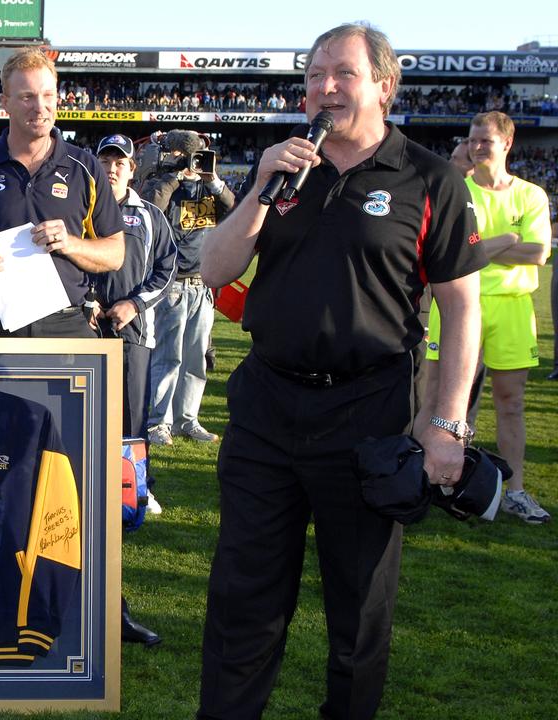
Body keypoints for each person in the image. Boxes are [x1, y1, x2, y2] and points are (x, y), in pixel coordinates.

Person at [197, 23, 485, 719]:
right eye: (314, 74)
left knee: (358, 612)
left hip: (368, 414)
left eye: (342, 73)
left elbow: (461, 308)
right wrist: (262, 185)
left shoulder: (430, 178)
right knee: (244, 598)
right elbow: (213, 268)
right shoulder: (281, 171)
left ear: (384, 86)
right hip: (266, 408)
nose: (324, 86)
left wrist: (445, 423)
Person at [0, 47, 124, 338]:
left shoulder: (85, 168)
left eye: (48, 95)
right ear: (5, 102)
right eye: (27, 97)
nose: (40, 106)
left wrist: (70, 243)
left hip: (67, 323)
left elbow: (116, 252)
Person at [420, 111, 551, 524]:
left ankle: (515, 492)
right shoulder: (456, 189)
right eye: (473, 140)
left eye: (486, 141)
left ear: (506, 144)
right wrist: (508, 240)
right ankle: (430, 481)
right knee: (445, 398)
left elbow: (538, 253)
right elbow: (450, 252)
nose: (477, 147)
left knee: (510, 403)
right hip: (458, 302)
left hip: (511, 307)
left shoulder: (531, 195)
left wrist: (479, 248)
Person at [91, 132, 179, 647]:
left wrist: (135, 303)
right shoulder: (83, 206)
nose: (114, 168)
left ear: (131, 168)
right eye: (105, 160)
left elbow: (168, 270)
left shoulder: (149, 215)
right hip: (82, 331)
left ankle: (128, 498)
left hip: (133, 334)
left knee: (128, 427)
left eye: (120, 161)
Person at [143, 129, 235, 446]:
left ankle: (187, 419)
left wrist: (212, 180)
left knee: (195, 360)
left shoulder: (209, 188)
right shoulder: (162, 183)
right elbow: (153, 209)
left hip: (202, 285)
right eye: (190, 155)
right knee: (168, 358)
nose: (196, 162)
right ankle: (158, 422)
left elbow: (234, 211)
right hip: (172, 284)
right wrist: (174, 174)